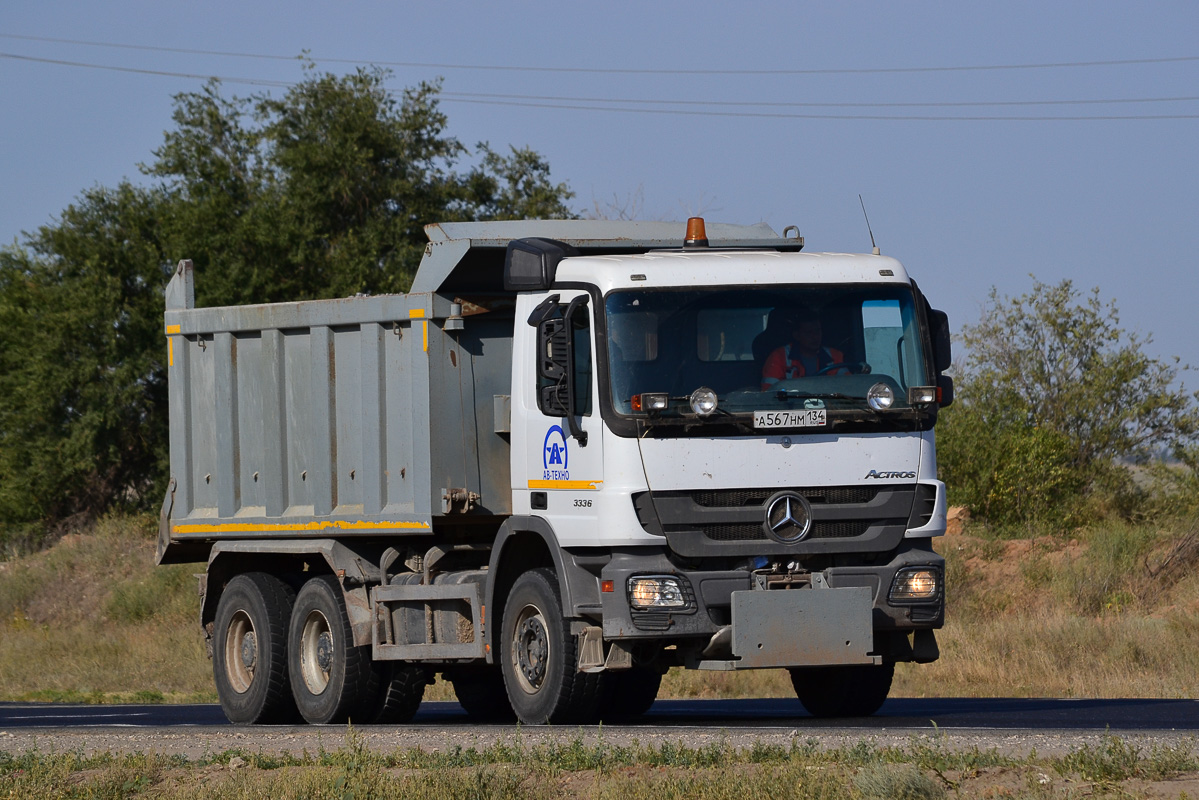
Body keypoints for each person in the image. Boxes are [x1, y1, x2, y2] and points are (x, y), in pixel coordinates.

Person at [761, 313, 845, 389]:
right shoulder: (779, 357)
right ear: (797, 335)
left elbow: (848, 386)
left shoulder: (835, 356)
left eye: (817, 331)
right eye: (809, 332)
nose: (815, 336)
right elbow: (769, 393)